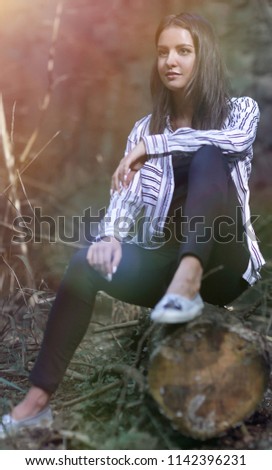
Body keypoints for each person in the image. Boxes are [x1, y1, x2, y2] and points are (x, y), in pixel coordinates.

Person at [0, 12, 265, 437]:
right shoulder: (144, 128)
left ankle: (189, 280)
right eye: (163, 52)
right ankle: (36, 402)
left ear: (205, 58)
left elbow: (231, 144)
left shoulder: (238, 112)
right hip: (162, 261)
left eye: (183, 51)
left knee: (209, 156)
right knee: (85, 262)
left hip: (225, 262)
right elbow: (122, 197)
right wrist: (109, 237)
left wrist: (153, 146)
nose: (170, 61)